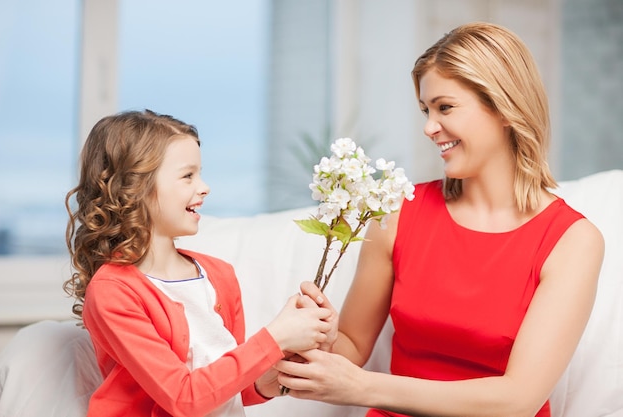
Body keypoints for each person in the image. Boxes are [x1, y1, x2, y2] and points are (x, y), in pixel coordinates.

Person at [275, 21, 605, 417]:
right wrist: (322, 340)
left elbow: (518, 400)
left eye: (445, 107)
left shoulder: (572, 241)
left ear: (504, 107)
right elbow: (352, 344)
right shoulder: (397, 214)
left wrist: (362, 387)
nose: (430, 128)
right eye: (425, 110)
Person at [63, 109, 333, 417]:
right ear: (133, 186)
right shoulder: (113, 291)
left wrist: (278, 371)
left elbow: (228, 386)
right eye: (187, 175)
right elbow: (183, 398)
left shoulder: (219, 275)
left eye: (200, 174)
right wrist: (276, 337)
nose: (204, 187)